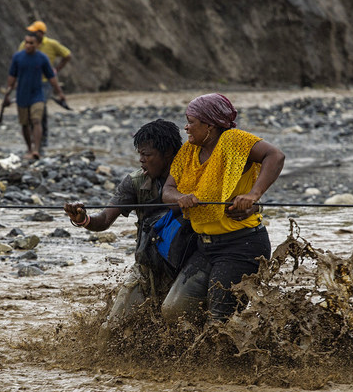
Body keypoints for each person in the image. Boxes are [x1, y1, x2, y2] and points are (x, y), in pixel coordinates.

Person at [64, 119, 258, 330]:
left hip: (187, 269)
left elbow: (237, 206)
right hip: (148, 270)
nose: (141, 160)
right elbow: (103, 221)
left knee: (191, 324)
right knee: (111, 330)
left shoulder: (202, 178)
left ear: (168, 154)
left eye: (147, 155)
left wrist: (252, 207)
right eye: (140, 154)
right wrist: (83, 219)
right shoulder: (136, 182)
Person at [161, 93, 285, 324]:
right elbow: (167, 189)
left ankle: (224, 357)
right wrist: (180, 198)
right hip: (205, 246)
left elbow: (275, 155)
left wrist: (253, 195)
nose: (186, 127)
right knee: (173, 310)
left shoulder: (234, 141)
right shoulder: (188, 151)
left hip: (241, 246)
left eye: (191, 121)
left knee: (219, 321)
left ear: (209, 124)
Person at [3, 31, 66, 160]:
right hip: (22, 94)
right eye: (26, 42)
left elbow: (51, 77)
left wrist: (59, 92)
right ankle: (29, 149)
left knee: (36, 120)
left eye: (31, 43)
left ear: (37, 44)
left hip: (37, 94)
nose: (28, 45)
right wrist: (7, 95)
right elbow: (12, 77)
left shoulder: (42, 58)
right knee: (25, 123)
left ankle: (36, 150)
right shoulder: (18, 58)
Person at [18, 21, 72, 148]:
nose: (31, 34)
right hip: (29, 83)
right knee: (30, 111)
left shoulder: (52, 45)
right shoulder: (25, 45)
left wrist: (56, 70)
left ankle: (42, 138)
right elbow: (19, 60)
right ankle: (34, 140)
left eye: (34, 32)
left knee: (40, 109)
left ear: (41, 33)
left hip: (45, 83)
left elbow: (67, 55)